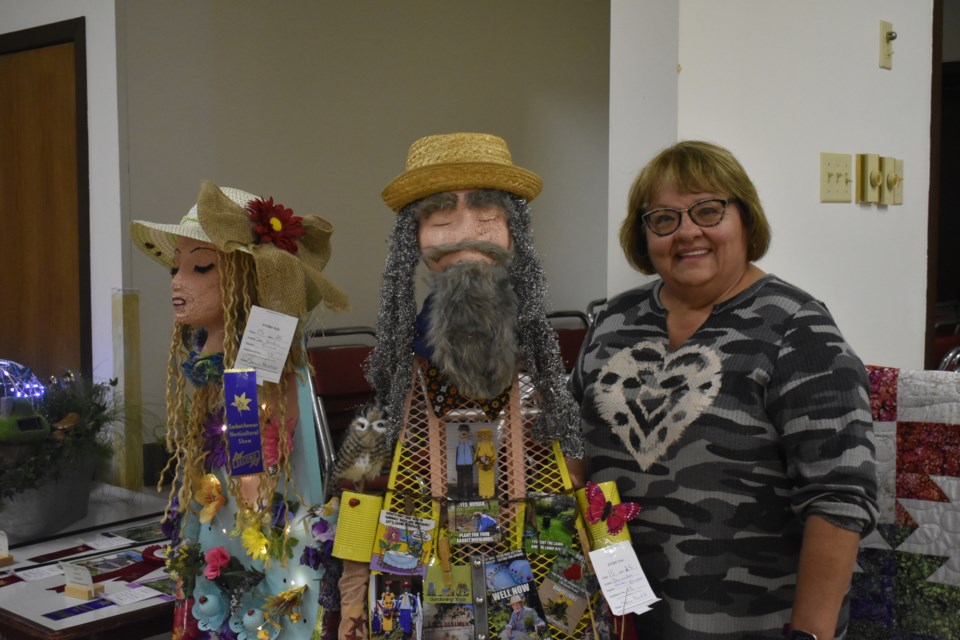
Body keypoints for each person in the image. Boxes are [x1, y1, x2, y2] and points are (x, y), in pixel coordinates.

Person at [571, 141, 878, 640]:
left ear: (745, 220)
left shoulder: (798, 329)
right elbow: (573, 449)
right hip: (620, 618)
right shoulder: (613, 321)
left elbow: (839, 500)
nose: (688, 231)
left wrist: (810, 634)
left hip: (754, 623)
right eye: (664, 219)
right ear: (643, 236)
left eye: (708, 211)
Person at [334, 132, 585, 639]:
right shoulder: (400, 381)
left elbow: (575, 482)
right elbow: (360, 491)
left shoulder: (544, 380)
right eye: (441, 217)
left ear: (516, 233)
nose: (467, 232)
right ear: (414, 239)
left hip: (538, 589)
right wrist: (354, 600)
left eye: (488, 214)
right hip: (423, 588)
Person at [131, 181, 348, 639]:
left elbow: (255, 472)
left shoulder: (258, 368)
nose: (177, 280)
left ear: (247, 279)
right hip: (225, 524)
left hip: (262, 545)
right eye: (176, 267)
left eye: (201, 267)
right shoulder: (216, 363)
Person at [454, 424, 476, 498]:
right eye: (462, 430)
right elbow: (457, 452)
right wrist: (456, 464)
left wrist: (474, 461)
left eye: (465, 430)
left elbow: (474, 451)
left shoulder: (469, 441)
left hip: (469, 463)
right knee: (460, 480)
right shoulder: (458, 441)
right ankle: (460, 495)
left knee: (469, 480)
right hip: (460, 463)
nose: (464, 432)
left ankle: (469, 494)